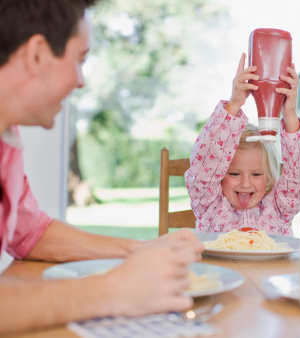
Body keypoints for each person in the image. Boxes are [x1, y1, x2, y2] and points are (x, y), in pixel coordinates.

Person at [0, 0, 203, 334]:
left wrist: (139, 250)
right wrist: (111, 292)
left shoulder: (8, 134)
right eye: (80, 60)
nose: (81, 81)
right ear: (37, 54)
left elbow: (31, 233)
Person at [185, 53, 300, 236]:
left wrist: (290, 116)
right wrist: (235, 103)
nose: (245, 184)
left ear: (269, 177)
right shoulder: (210, 205)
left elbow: (299, 177)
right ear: (219, 173)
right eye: (234, 173)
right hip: (218, 266)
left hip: (269, 266)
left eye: (256, 174)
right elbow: (205, 162)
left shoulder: (280, 207)